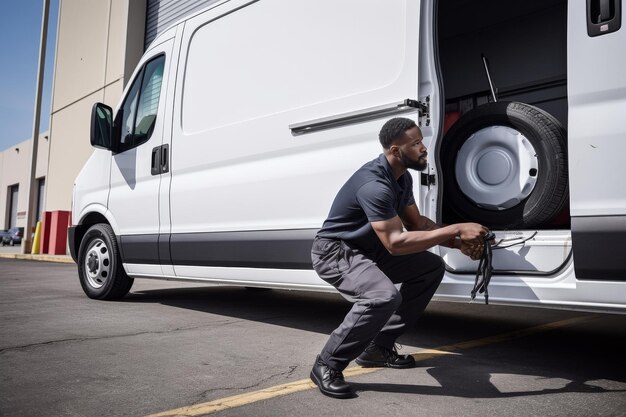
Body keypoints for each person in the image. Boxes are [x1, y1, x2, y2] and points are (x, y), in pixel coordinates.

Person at [309, 117, 489, 399]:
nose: (424, 148)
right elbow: (395, 243)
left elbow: (417, 225)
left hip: (368, 250)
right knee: (382, 297)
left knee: (429, 267)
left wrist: (457, 243)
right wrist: (456, 228)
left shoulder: (401, 178)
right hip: (336, 252)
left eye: (421, 141)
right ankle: (327, 364)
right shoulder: (374, 185)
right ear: (395, 151)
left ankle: (378, 347)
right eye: (416, 143)